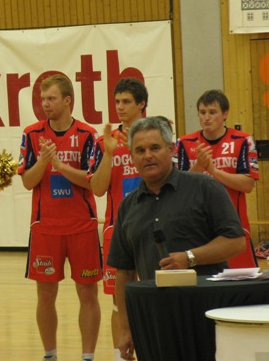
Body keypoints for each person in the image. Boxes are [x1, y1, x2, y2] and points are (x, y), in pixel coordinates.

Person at [107, 116, 246, 361]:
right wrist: (127, 328)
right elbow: (124, 273)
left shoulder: (204, 188)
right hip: (154, 321)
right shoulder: (128, 207)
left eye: (155, 148)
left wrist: (190, 257)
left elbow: (236, 241)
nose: (147, 156)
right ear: (131, 157)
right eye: (140, 150)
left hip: (207, 315)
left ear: (171, 149)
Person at [18, 74, 101, 361]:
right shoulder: (32, 134)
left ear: (67, 100)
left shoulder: (88, 135)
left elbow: (93, 181)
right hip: (45, 228)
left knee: (88, 295)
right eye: (43, 99)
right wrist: (44, 162)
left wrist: (60, 165)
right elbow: (27, 182)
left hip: (82, 226)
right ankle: (50, 355)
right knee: (45, 296)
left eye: (51, 98)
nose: (45, 104)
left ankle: (87, 356)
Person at [87, 77, 147, 361]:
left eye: (126, 102)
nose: (120, 107)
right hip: (117, 230)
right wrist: (109, 155)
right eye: (117, 102)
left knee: (154, 294)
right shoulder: (103, 142)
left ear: (142, 104)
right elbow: (97, 188)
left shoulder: (155, 138)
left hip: (152, 228)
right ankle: (119, 357)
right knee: (117, 301)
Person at [174, 89, 259, 268]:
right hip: (197, 232)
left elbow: (248, 184)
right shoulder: (184, 143)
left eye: (212, 112)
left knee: (243, 283)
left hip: (234, 229)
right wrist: (199, 166)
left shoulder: (243, 141)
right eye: (202, 112)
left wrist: (213, 171)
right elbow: (178, 188)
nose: (206, 117)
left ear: (225, 113)